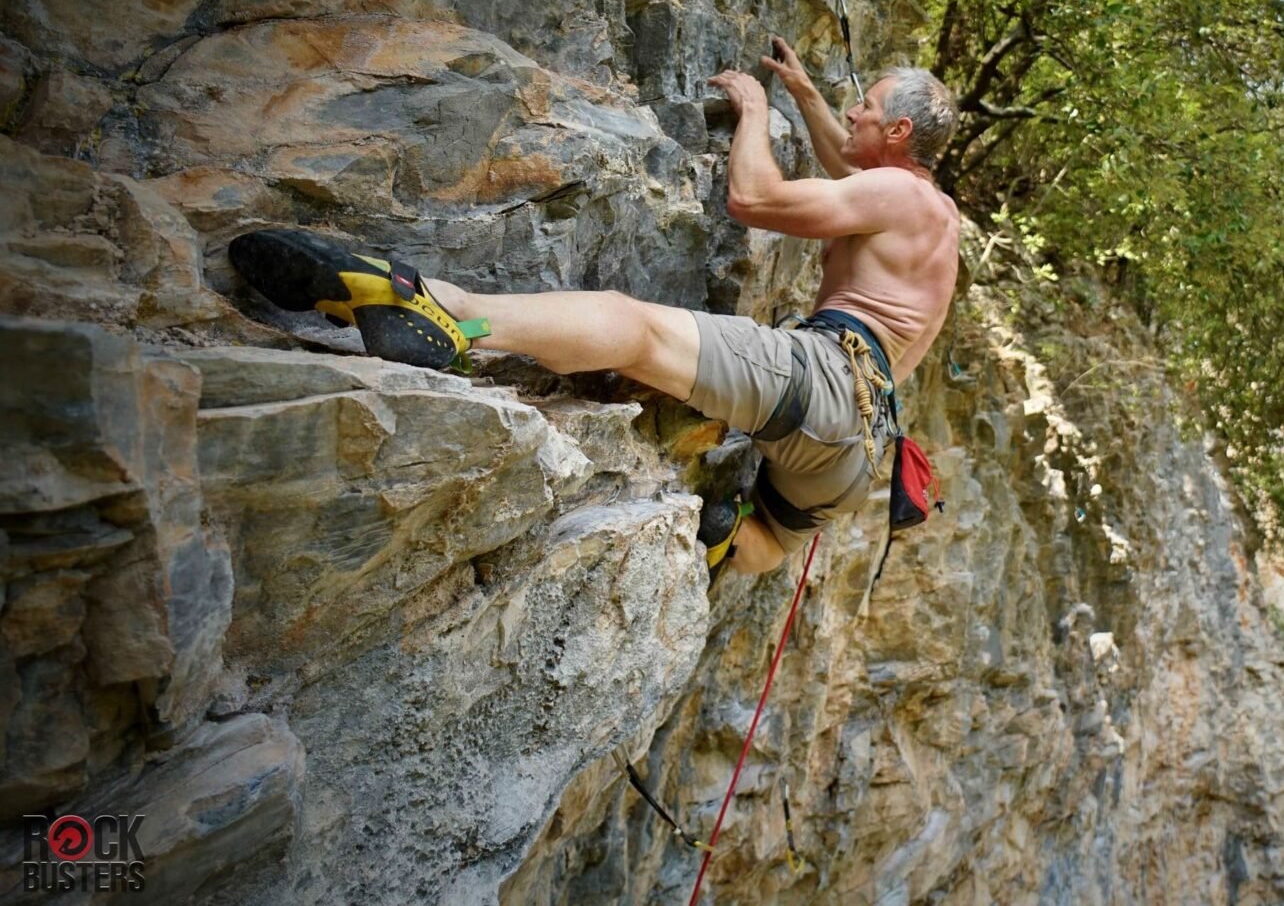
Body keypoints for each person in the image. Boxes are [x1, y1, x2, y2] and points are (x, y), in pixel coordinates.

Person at [228, 37, 961, 575]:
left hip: (823, 380)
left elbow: (756, 199)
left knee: (633, 328)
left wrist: (757, 109)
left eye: (864, 107)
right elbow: (850, 161)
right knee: (771, 540)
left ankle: (453, 318)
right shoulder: (933, 214)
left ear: (897, 132)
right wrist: (807, 93)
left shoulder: (892, 192)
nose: (853, 114)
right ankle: (730, 540)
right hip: (857, 457)